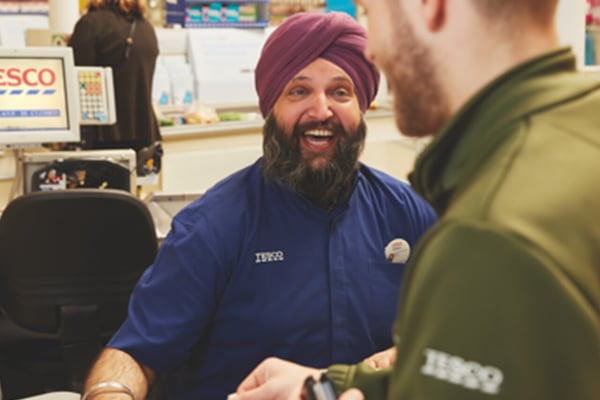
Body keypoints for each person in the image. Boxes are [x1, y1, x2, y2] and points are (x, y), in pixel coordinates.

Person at [235, 1, 600, 399]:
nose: (372, 52)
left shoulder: (490, 234)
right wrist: (331, 386)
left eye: (372, 14)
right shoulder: (583, 124)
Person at [81, 11, 437, 400]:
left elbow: (460, 335)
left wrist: (402, 359)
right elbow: (134, 353)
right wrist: (110, 393)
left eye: (340, 92)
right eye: (299, 91)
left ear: (363, 106)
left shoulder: (409, 213)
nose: (321, 111)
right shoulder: (213, 227)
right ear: (270, 107)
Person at [68, 0, 161, 152]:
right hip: (145, 135)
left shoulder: (91, 25)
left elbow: (73, 81)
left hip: (103, 137)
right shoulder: (146, 28)